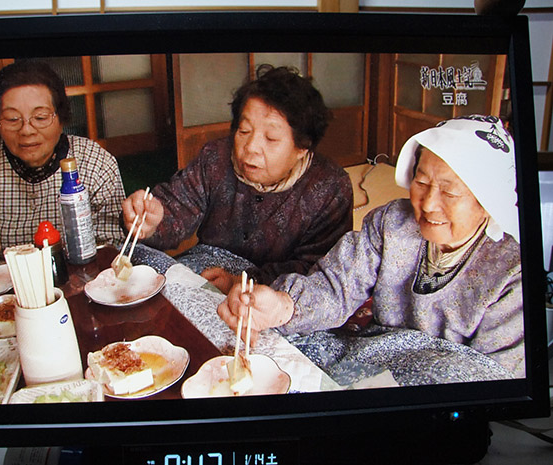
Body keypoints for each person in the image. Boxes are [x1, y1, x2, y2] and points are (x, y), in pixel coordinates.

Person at [218, 115, 524, 378]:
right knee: (274, 351)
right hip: (372, 353)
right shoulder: (392, 222)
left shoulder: (511, 272)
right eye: (421, 182)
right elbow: (336, 286)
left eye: (450, 192)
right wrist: (283, 306)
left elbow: (492, 375)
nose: (429, 204)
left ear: (487, 202)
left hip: (440, 388)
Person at [122, 65, 353, 293]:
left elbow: (319, 271)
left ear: (302, 147)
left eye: (271, 138)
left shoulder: (330, 188)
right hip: (206, 268)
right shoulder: (215, 157)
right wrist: (154, 220)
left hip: (276, 294)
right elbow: (179, 206)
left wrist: (242, 283)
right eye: (244, 131)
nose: (251, 147)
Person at [0, 60, 125, 269]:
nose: (26, 130)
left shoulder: (95, 161)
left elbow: (111, 245)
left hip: (73, 277)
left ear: (61, 118)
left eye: (40, 117)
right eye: (12, 119)